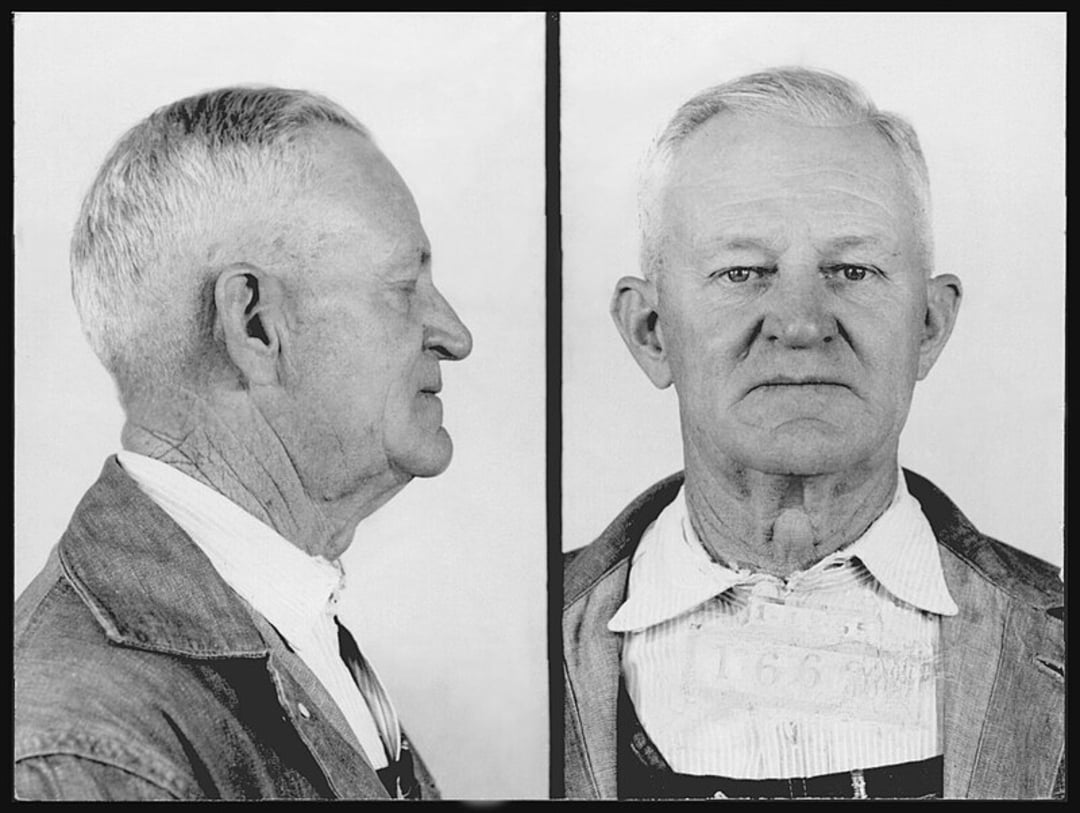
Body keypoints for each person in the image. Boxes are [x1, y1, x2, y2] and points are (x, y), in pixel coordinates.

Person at [562, 67, 1063, 800]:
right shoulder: (517, 648)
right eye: (742, 272)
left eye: (852, 270)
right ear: (650, 330)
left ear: (929, 325)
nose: (800, 322)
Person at [15, 86, 472, 800]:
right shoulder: (86, 756)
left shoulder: (286, 620)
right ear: (255, 325)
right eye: (403, 285)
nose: (453, 332)